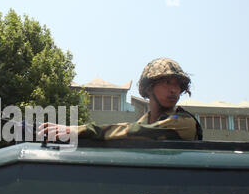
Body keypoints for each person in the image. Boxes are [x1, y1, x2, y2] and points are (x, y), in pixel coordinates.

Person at [38, 58, 203, 141]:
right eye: (167, 82)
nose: (174, 89)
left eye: (178, 85)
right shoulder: (144, 121)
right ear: (148, 87)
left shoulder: (182, 121)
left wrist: (75, 131)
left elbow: (135, 132)